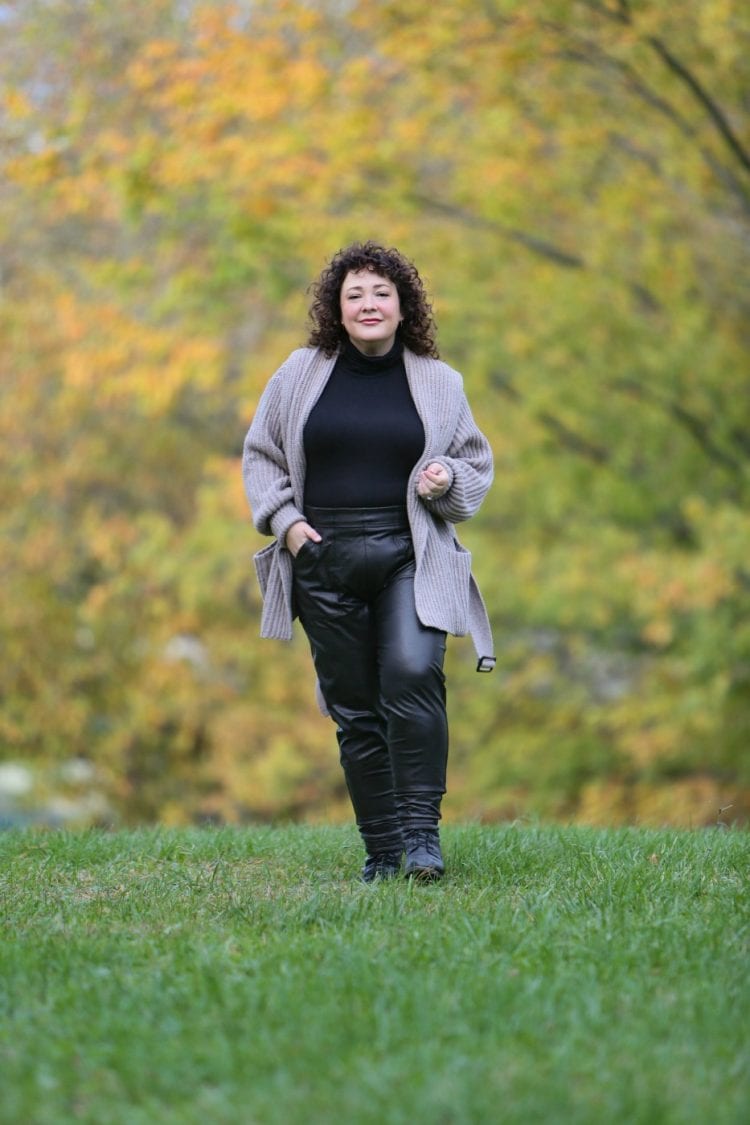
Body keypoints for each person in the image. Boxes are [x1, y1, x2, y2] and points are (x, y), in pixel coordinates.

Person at [242, 241, 495, 882]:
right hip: (322, 559)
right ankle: (382, 853)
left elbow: (475, 466)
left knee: (412, 675)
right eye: (354, 294)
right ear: (337, 308)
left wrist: (447, 478)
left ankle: (422, 842)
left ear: (404, 305)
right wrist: (289, 525)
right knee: (355, 709)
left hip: (409, 552)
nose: (369, 304)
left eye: (382, 292)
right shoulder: (299, 373)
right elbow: (260, 455)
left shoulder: (440, 382)